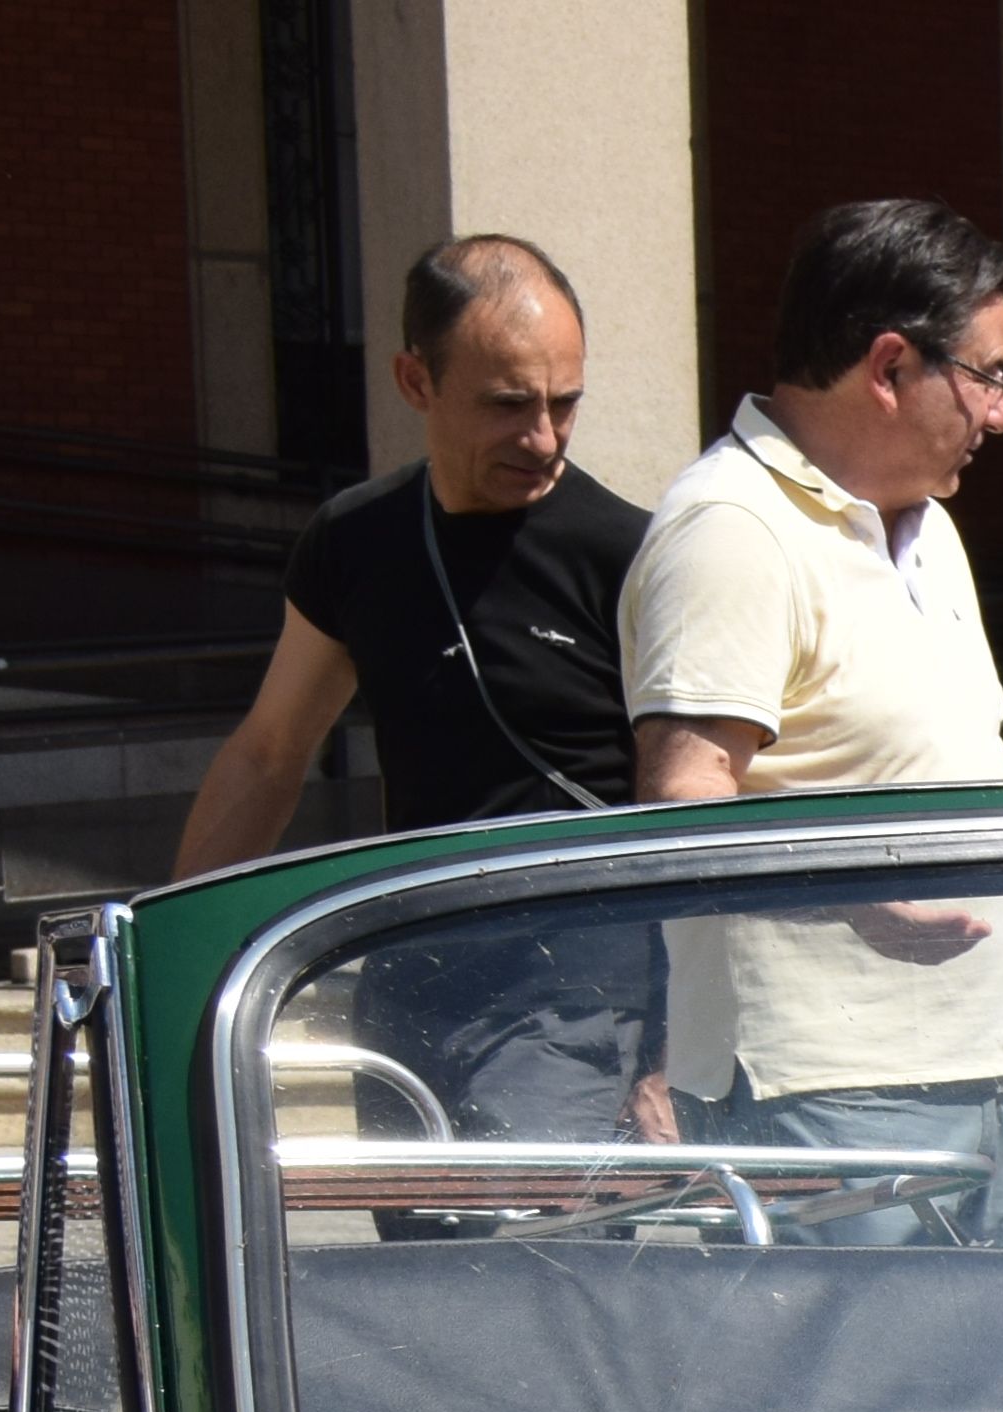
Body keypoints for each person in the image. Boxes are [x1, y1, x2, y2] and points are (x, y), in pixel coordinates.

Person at [619, 199, 1003, 1247]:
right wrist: (855, 903)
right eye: (988, 376)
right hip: (820, 1096)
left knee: (973, 1407)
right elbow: (682, 797)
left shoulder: (929, 529)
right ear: (892, 366)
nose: (1001, 415)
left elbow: (944, 761)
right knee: (861, 1405)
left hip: (968, 1070)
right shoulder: (733, 529)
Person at [176, 235, 657, 1162]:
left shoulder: (629, 552)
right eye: (509, 406)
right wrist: (168, 942)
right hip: (411, 980)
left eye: (565, 404)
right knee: (418, 1282)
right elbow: (271, 751)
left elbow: (689, 798)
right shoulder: (354, 540)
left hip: (576, 997)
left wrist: (667, 1055)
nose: (545, 439)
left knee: (523, 1277)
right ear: (415, 380)